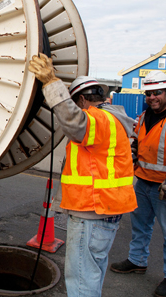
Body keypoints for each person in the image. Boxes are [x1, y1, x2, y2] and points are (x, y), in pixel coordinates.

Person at [29, 54, 137, 297]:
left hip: (92, 212)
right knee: (92, 274)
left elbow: (74, 122)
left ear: (81, 99)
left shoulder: (99, 119)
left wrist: (51, 83)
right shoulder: (115, 120)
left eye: (75, 102)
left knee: (81, 283)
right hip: (105, 212)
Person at [110, 70, 166, 297]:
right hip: (144, 182)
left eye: (157, 93)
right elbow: (137, 143)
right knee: (140, 227)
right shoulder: (144, 116)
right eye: (149, 93)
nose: (152, 97)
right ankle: (137, 261)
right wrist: (130, 156)